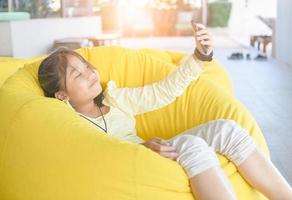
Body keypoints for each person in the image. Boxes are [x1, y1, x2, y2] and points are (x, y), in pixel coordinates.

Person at [38, 23, 292, 200]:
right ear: (61, 95)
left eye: (86, 65)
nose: (90, 73)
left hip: (154, 153)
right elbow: (95, 154)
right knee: (192, 144)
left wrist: (199, 57)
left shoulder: (115, 99)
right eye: (77, 74)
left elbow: (163, 91)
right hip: (135, 166)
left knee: (226, 128)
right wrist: (141, 150)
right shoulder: (68, 122)